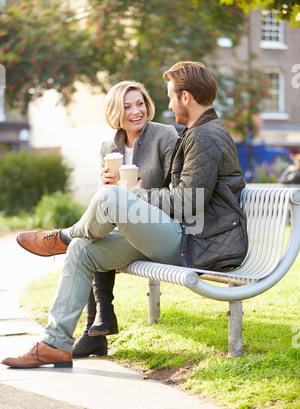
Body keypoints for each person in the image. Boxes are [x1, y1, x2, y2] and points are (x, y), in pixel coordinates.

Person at [1, 61, 247, 369]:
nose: (168, 104)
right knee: (83, 250)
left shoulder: (204, 136)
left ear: (185, 97)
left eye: (171, 96)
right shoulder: (198, 133)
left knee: (111, 196)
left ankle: (62, 237)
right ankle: (55, 343)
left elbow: (188, 203)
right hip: (185, 234)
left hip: (195, 242)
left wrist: (135, 196)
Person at [72, 81, 177, 358]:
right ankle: (98, 323)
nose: (136, 111)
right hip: (124, 229)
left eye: (140, 103)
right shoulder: (109, 146)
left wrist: (138, 193)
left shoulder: (165, 135)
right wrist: (104, 184)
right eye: (127, 106)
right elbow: (105, 205)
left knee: (87, 237)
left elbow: (178, 194)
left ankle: (100, 318)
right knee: (88, 242)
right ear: (115, 112)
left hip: (159, 228)